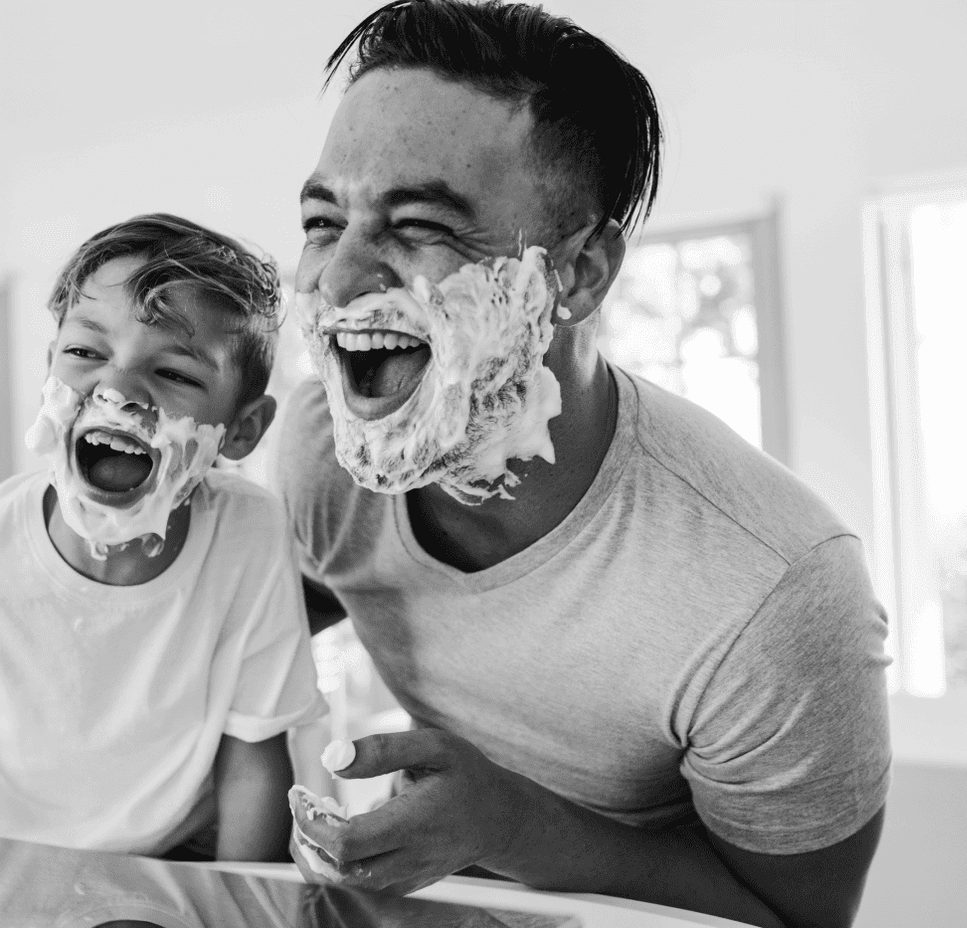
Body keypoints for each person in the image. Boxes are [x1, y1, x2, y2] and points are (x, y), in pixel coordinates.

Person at [278, 2, 891, 925]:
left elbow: (797, 917)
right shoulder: (323, 450)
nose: (335, 278)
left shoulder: (774, 589)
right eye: (325, 221)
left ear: (580, 274)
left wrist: (513, 828)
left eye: (419, 226)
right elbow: (246, 622)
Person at [0, 214, 327, 862]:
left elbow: (254, 761)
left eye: (174, 373)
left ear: (239, 431)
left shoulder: (246, 534)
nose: (117, 389)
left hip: (178, 855)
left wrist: (240, 904)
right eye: (86, 352)